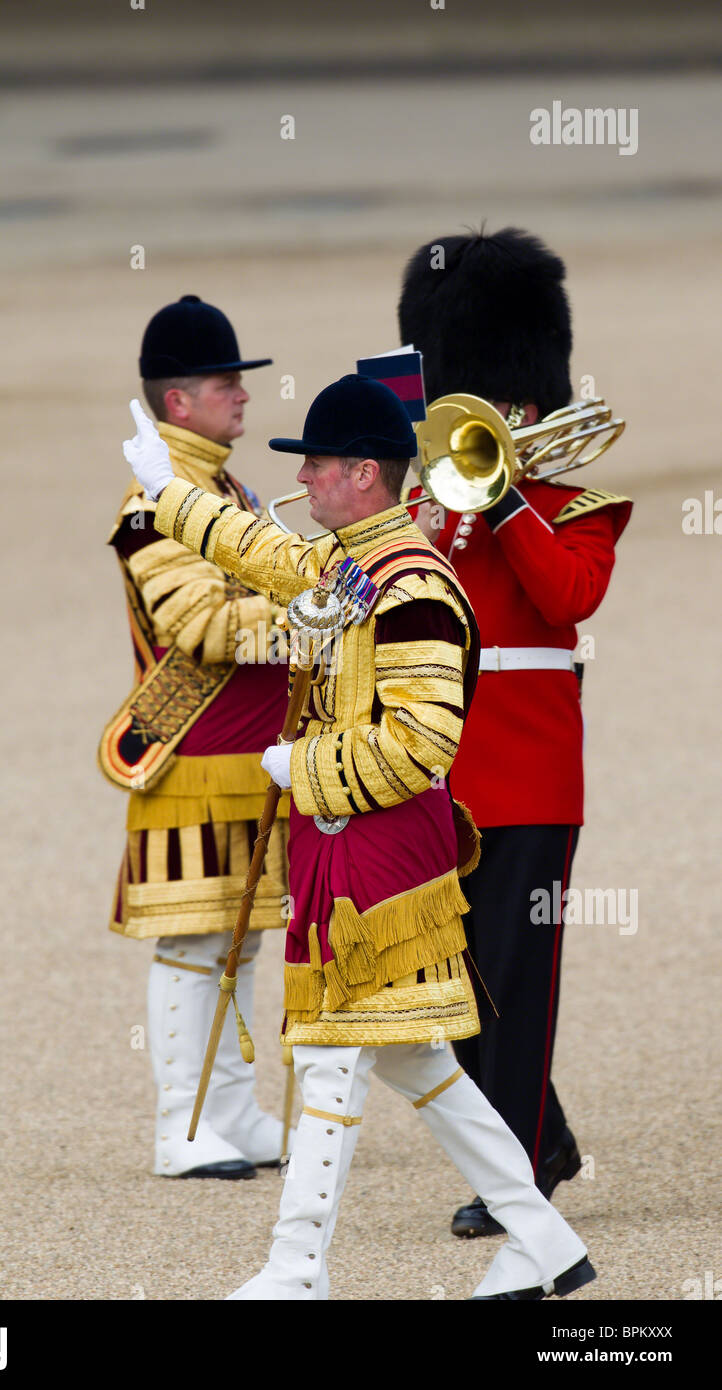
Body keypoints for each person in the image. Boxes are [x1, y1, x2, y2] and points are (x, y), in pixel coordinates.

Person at [122, 372, 596, 1300]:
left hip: (381, 850)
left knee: (333, 1053)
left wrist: (308, 771)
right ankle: (543, 1242)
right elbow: (263, 554)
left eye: (323, 468)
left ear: (366, 475)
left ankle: (298, 1267)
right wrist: (166, 493)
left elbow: (422, 743)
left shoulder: (411, 583)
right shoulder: (359, 560)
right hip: (353, 843)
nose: (308, 484)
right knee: (421, 1063)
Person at [398, 228, 632, 1237]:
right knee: (442, 990)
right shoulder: (420, 504)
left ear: (525, 406)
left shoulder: (573, 506)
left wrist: (499, 503)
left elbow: (564, 594)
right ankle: (543, 1137)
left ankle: (517, 1177)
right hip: (432, 771)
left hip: (531, 779)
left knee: (518, 989)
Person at [99, 294, 293, 1180]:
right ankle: (181, 1127)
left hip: (247, 753)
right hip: (190, 756)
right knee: (191, 945)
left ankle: (232, 1112)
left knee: (240, 936)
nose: (242, 395)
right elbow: (201, 627)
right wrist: (309, 623)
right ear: (179, 402)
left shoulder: (225, 491)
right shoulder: (153, 502)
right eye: (227, 382)